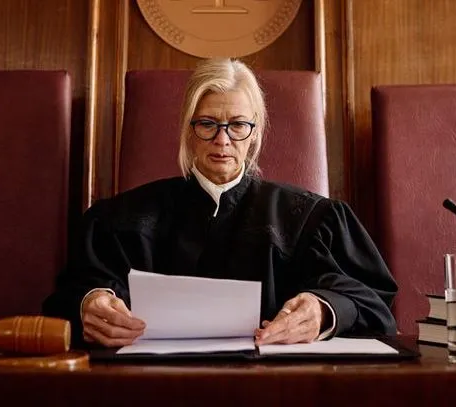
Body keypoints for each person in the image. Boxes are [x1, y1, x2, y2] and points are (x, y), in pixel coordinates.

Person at [43, 58, 397, 348]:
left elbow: (374, 302)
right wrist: (91, 302)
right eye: (208, 124)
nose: (222, 139)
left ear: (255, 132)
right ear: (187, 130)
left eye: (238, 125)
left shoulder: (311, 220)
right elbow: (72, 290)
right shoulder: (121, 220)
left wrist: (323, 310)